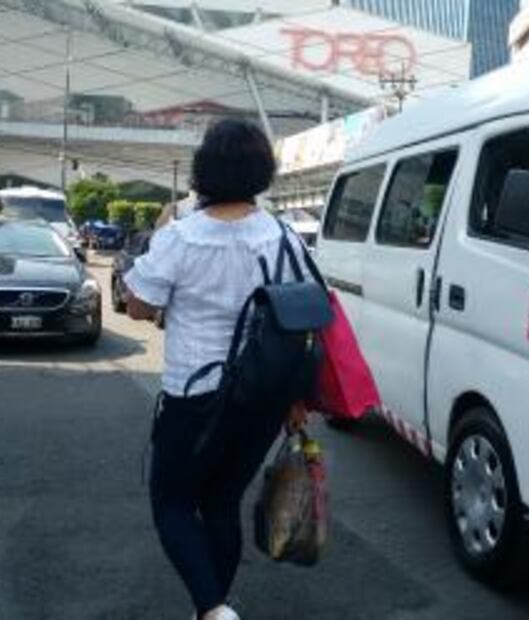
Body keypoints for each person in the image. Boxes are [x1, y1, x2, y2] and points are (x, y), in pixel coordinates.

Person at [124, 120, 306, 620]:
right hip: (262, 396)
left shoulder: (182, 237)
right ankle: (215, 608)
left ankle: (212, 609)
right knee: (222, 502)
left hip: (194, 393)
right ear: (260, 171)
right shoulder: (284, 236)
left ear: (205, 170)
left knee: (173, 504)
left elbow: (138, 305)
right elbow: (305, 315)